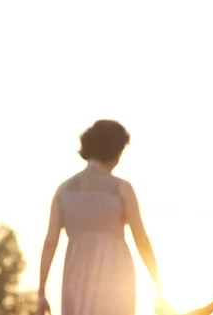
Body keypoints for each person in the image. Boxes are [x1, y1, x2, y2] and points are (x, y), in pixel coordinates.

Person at [36, 120, 165, 315]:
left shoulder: (64, 190)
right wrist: (158, 285)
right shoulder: (122, 188)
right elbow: (141, 240)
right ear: (115, 150)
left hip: (75, 274)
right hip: (115, 273)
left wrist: (41, 291)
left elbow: (50, 242)